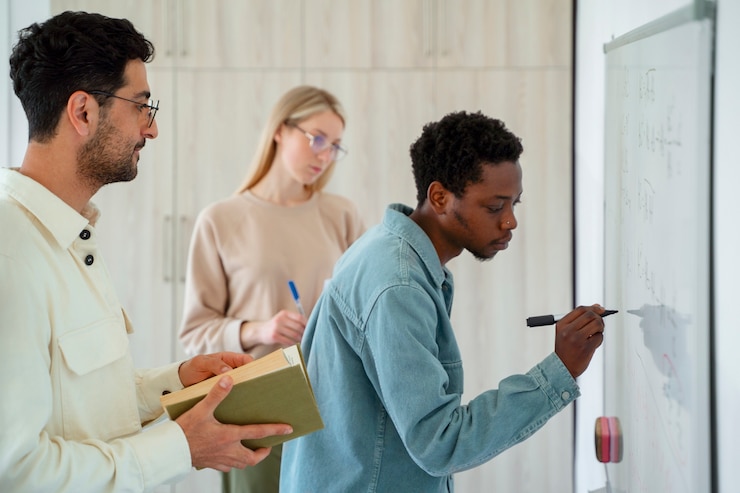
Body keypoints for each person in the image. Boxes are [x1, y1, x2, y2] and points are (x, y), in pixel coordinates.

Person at [0, 11, 293, 493]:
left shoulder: (70, 236)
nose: (150, 129)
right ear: (83, 112)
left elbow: (83, 404)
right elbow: (20, 472)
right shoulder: (12, 254)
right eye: (141, 106)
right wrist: (183, 447)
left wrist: (177, 382)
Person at [280, 110, 609, 492]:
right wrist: (559, 371)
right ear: (439, 197)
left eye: (514, 204)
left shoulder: (388, 250)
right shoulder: (398, 286)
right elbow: (440, 443)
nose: (510, 221)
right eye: (494, 207)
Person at [178, 85, 365, 493]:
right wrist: (257, 330)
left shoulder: (342, 215)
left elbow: (366, 311)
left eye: (335, 146)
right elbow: (195, 334)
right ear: (281, 130)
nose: (325, 155)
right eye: (317, 138)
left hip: (335, 402)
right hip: (257, 411)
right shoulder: (221, 220)